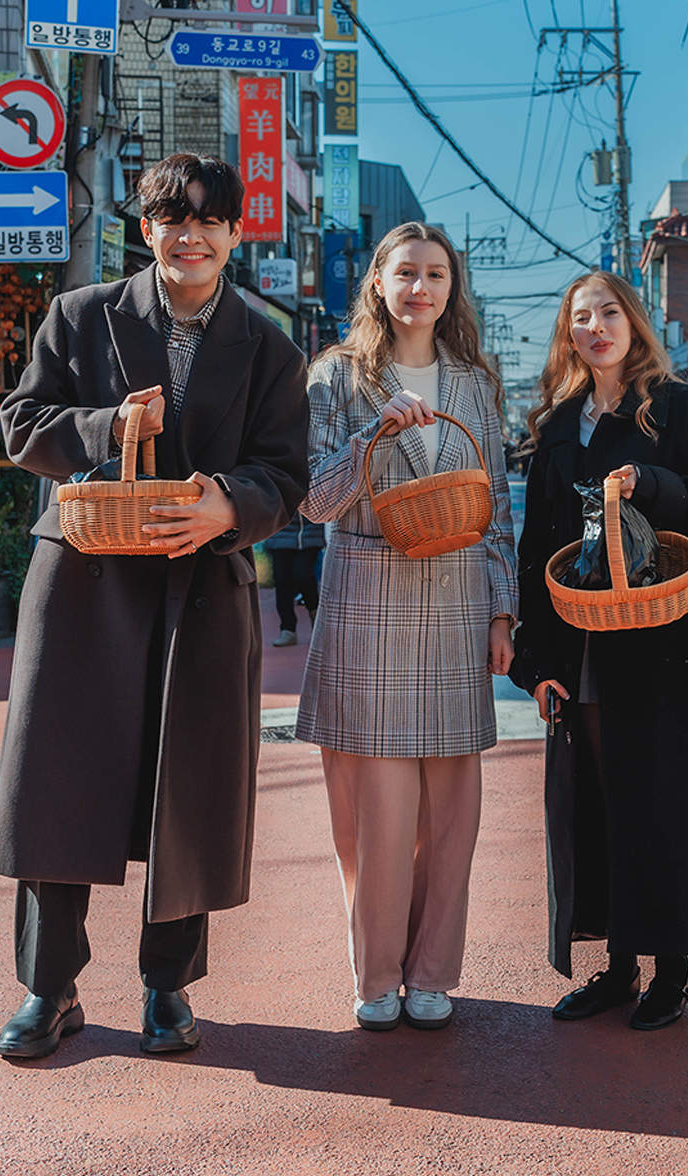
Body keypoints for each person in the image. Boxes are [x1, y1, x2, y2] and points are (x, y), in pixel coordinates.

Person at [0, 154, 309, 1059]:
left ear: (237, 234)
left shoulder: (271, 344)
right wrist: (104, 428)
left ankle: (168, 987)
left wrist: (229, 504)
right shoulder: (81, 316)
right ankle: (49, 990)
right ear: (147, 229)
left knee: (189, 789)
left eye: (209, 220)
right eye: (173, 218)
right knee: (58, 782)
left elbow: (286, 473)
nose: (190, 235)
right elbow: (22, 424)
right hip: (82, 582)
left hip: (201, 584)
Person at [511, 272, 688, 1031]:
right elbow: (537, 550)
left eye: (608, 311)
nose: (595, 327)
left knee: (665, 800)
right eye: (580, 317)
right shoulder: (558, 426)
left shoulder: (680, 408)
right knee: (597, 798)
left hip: (673, 643)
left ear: (634, 320)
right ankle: (616, 967)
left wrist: (654, 483)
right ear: (568, 334)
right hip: (582, 641)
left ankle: (673, 970)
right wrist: (537, 660)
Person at [295, 221, 517, 1032]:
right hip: (367, 596)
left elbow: (495, 508)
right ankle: (377, 971)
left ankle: (432, 971)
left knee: (452, 808)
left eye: (435, 275)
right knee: (377, 810)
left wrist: (503, 609)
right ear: (378, 284)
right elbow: (313, 501)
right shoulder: (335, 377)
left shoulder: (476, 384)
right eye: (406, 274)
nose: (420, 288)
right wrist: (374, 434)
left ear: (451, 288)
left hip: (459, 598)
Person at [264, 512, 327, 645]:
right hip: (280, 531)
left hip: (311, 532)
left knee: (303, 575)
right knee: (282, 580)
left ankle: (316, 617)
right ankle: (287, 629)